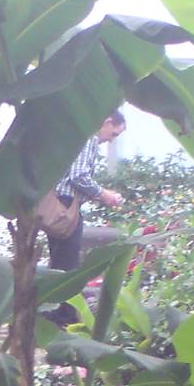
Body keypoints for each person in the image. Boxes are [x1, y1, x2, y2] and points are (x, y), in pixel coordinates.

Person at [42, 110, 126, 325]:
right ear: (107, 122)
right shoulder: (88, 138)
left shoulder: (75, 137)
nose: (111, 139)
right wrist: (103, 194)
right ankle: (63, 315)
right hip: (65, 204)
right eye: (114, 133)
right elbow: (78, 175)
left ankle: (55, 311)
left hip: (60, 201)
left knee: (59, 259)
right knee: (67, 263)